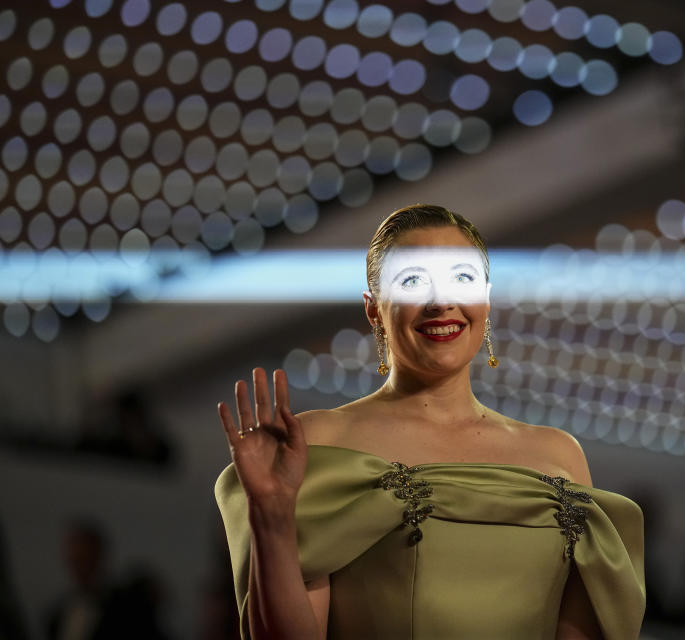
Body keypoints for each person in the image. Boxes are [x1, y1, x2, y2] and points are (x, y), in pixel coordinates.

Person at [214, 204, 646, 639]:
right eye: (413, 281)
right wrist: (270, 516)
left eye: (462, 278)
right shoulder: (319, 444)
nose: (442, 302)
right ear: (373, 309)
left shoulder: (560, 454)